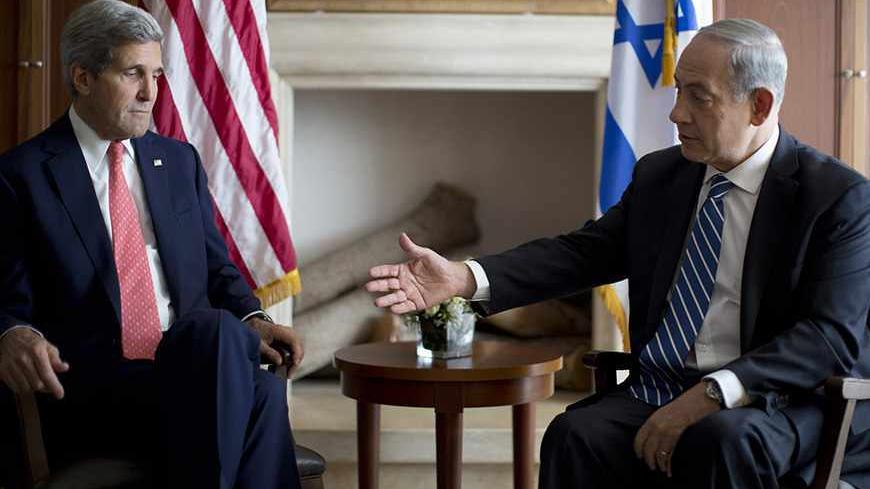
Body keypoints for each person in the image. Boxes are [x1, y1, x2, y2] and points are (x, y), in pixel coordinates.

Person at [366, 19, 870, 489]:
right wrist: (463, 277)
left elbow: (828, 336)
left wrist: (714, 392)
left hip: (774, 400)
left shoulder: (835, 198)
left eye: (698, 96)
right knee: (575, 434)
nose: (676, 113)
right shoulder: (662, 176)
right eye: (678, 90)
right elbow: (582, 254)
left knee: (720, 440)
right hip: (663, 388)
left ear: (759, 105)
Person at [0, 1, 304, 488]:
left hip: (195, 369)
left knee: (237, 358)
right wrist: (12, 333)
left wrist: (254, 317)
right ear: (82, 78)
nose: (151, 93)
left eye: (157, 75)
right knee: (251, 381)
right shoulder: (22, 175)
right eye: (133, 74)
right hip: (96, 388)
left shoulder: (178, 161)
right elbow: (6, 302)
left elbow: (216, 268)